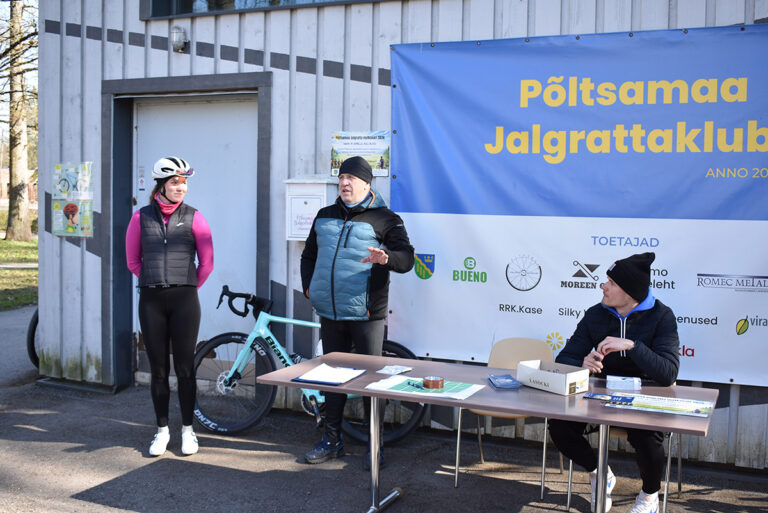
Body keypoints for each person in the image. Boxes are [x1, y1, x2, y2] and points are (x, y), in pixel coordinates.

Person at [300, 155, 414, 467]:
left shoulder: (386, 219)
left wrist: (387, 258)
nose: (344, 183)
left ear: (366, 183)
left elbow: (407, 258)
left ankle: (374, 445)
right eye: (341, 178)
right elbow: (309, 255)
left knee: (370, 383)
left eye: (351, 178)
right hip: (330, 313)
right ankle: (331, 441)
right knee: (332, 380)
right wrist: (310, 288)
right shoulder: (324, 215)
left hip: (366, 315)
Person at [549, 252, 679, 513]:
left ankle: (649, 497)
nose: (603, 286)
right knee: (559, 425)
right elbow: (564, 358)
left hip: (642, 396)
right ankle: (599, 472)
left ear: (630, 292)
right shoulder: (595, 314)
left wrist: (632, 346)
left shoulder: (662, 316)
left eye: (611, 282)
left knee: (648, 437)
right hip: (599, 396)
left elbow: (668, 373)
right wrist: (582, 363)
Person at [125, 156, 214, 457]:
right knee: (159, 370)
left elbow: (207, 263)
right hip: (151, 300)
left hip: (184, 301)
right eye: (175, 182)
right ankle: (162, 431)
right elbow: (132, 261)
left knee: (185, 369)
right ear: (161, 185)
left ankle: (188, 431)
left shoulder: (195, 217)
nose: (181, 188)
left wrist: (185, 285)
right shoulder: (140, 218)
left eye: (184, 183)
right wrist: (155, 279)